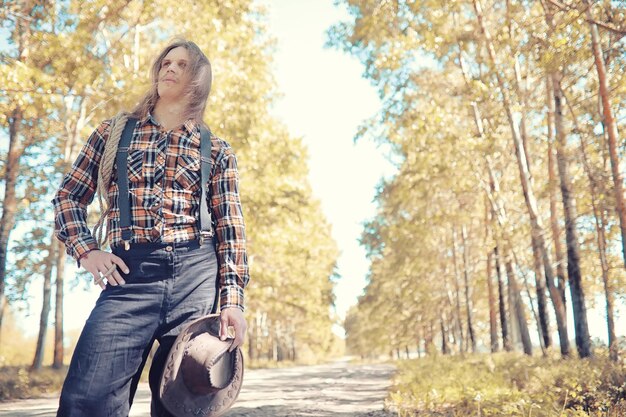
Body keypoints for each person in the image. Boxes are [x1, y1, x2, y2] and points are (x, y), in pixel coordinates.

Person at [51, 38, 249, 417]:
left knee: (184, 402)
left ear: (198, 81)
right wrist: (87, 250)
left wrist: (233, 303)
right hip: (129, 277)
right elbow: (68, 197)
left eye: (181, 65)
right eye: (165, 63)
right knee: (87, 400)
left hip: (197, 280)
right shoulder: (112, 133)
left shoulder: (217, 150)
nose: (169, 69)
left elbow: (232, 230)